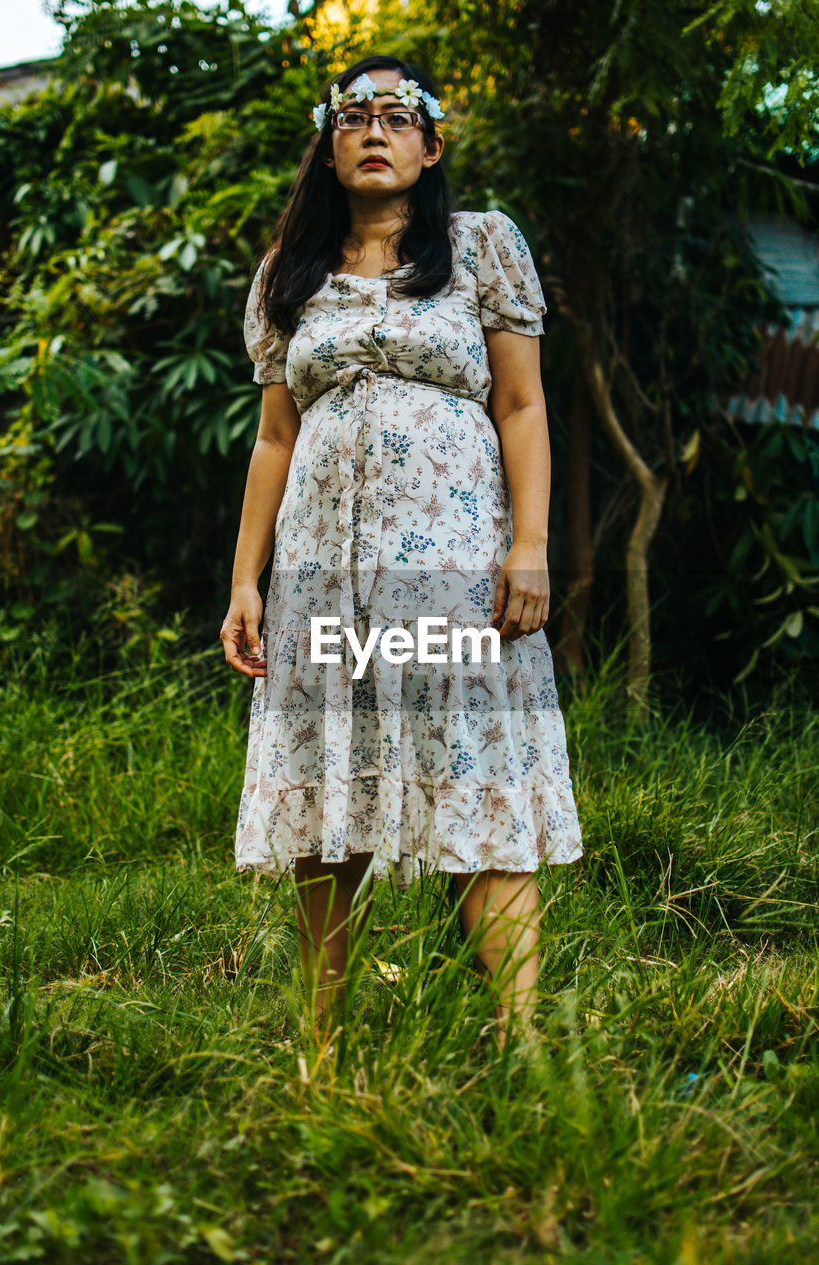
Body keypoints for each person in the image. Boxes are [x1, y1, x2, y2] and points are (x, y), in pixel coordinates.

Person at [220, 54, 584, 1052]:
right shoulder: (290, 275)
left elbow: (520, 403)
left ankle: (518, 1043)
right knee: (328, 804)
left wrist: (529, 546)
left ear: (430, 144)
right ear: (327, 143)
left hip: (453, 573)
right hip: (322, 580)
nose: (372, 129)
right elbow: (274, 439)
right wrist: (245, 579)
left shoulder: (477, 249)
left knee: (471, 771)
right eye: (351, 115)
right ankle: (320, 1042)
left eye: (395, 115)